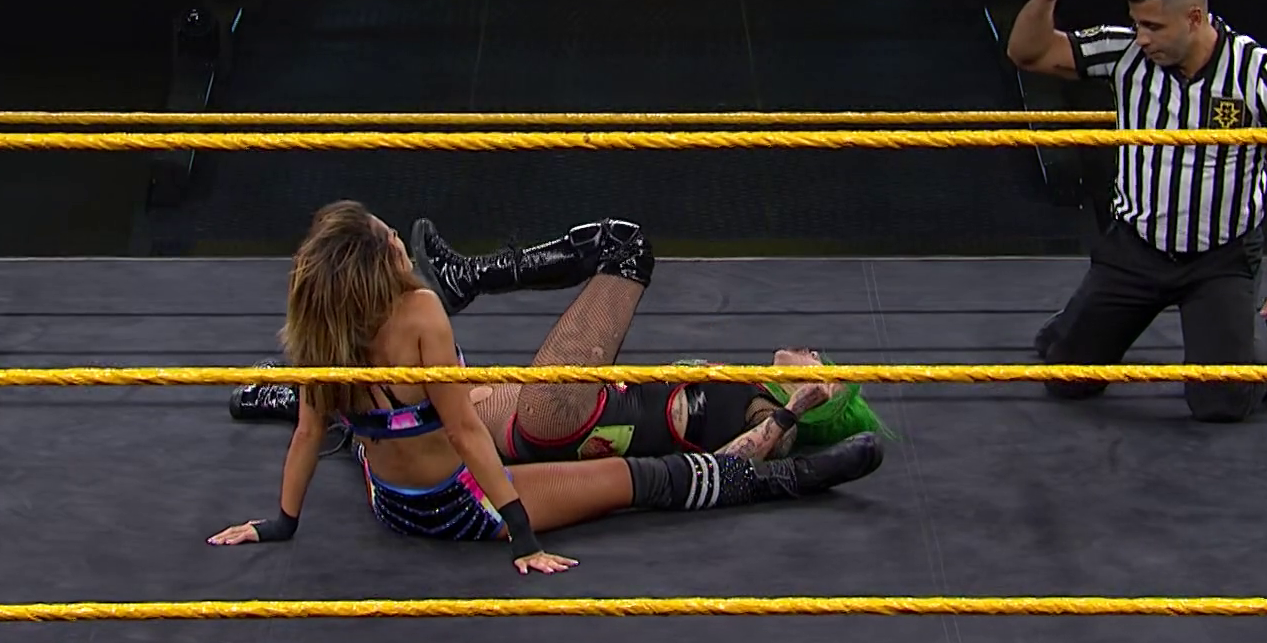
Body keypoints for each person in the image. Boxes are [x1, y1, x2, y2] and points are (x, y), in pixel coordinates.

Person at [207, 201, 884, 572]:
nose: (813, 354)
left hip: (432, 481)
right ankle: (795, 481)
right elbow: (459, 430)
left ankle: (798, 479)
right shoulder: (408, 316)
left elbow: (323, 433)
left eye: (819, 366)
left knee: (412, 412)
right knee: (638, 477)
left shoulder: (328, 335)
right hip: (480, 469)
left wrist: (283, 522)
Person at [1005, 0, 1267, 422]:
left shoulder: (1260, 76)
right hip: (1135, 249)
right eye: (1137, 24)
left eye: (1153, 26)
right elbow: (1026, 53)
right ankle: (1084, 320)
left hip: (1220, 258)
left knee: (1221, 402)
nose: (1142, 37)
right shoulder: (1127, 53)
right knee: (1067, 377)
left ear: (1195, 18)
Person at [227, 216, 889, 462]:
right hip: (545, 415)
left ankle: (465, 278)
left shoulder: (771, 417)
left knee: (626, 248)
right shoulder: (739, 384)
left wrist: (797, 408)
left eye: (822, 365)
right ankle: (290, 397)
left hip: (565, 418)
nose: (813, 352)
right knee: (418, 414)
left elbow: (741, 460)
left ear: (819, 392)